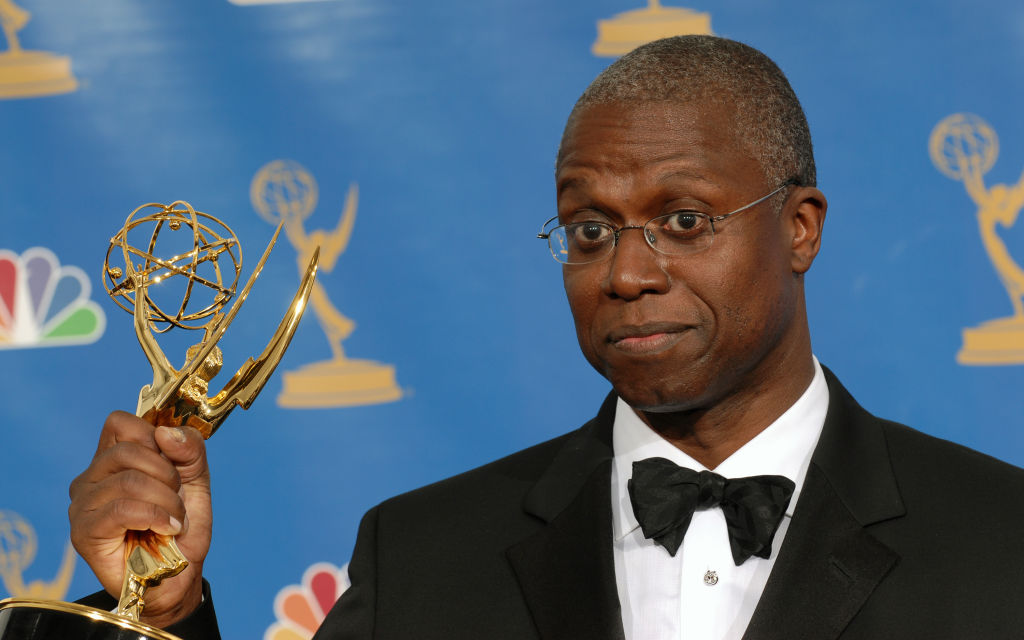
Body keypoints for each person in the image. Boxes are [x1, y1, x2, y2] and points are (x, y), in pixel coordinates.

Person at [69, 35, 1024, 640]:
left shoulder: (1001, 543)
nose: (627, 272)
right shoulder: (422, 556)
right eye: (589, 230)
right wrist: (163, 613)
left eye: (685, 220)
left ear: (800, 227)